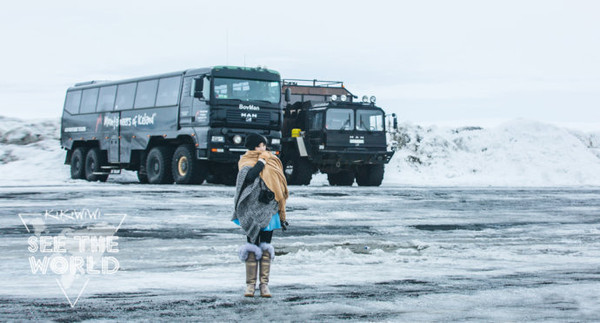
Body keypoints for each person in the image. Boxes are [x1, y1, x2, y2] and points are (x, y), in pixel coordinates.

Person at [232, 133, 288, 297]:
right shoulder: (246, 161)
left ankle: (264, 285)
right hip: (252, 210)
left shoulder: (273, 161)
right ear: (253, 147)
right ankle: (250, 285)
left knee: (265, 247)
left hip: (269, 209)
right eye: (261, 145)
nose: (264, 148)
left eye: (264, 145)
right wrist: (261, 161)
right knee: (252, 246)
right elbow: (248, 177)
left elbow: (279, 184)